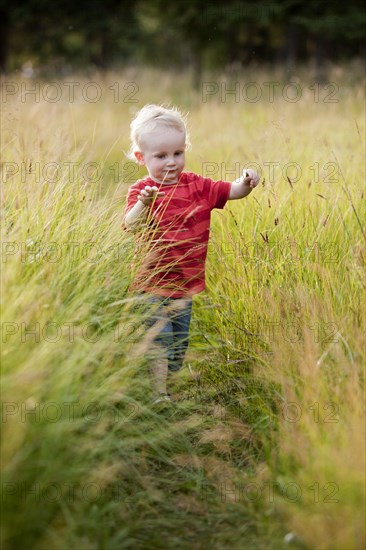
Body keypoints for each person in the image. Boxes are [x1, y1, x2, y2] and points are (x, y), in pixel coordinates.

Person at [122, 104, 259, 405]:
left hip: (185, 285)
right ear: (141, 158)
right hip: (151, 282)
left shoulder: (198, 186)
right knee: (160, 337)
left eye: (177, 153)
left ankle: (167, 378)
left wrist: (246, 182)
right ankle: (159, 393)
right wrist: (144, 204)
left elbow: (232, 191)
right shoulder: (143, 190)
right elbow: (129, 224)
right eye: (161, 156)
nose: (171, 162)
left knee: (178, 346)